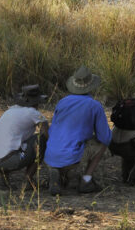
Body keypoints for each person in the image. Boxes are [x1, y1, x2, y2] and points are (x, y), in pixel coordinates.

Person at [44, 65, 112, 195]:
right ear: (91, 85)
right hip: (72, 157)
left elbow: (53, 129)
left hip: (50, 156)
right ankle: (86, 180)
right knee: (102, 145)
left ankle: (57, 172)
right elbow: (105, 137)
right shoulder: (94, 105)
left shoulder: (62, 102)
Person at [0, 85, 49, 189]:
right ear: (37, 102)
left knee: (13, 143)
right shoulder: (34, 113)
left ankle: (2, 174)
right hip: (10, 161)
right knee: (41, 140)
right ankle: (28, 179)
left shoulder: (11, 110)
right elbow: (46, 134)